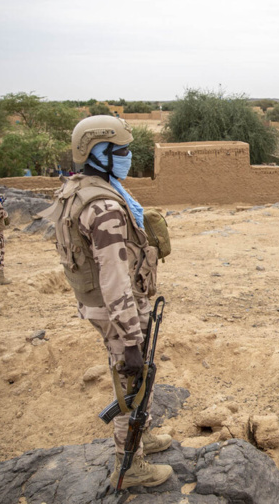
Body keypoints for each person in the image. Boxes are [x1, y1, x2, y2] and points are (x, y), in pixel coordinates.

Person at [42, 115, 172, 489]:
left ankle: (141, 437)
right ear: (98, 152)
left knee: (138, 380)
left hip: (104, 306)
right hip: (119, 309)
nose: (129, 157)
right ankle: (129, 466)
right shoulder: (104, 208)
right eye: (122, 151)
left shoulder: (78, 188)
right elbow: (114, 279)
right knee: (132, 385)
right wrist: (131, 339)